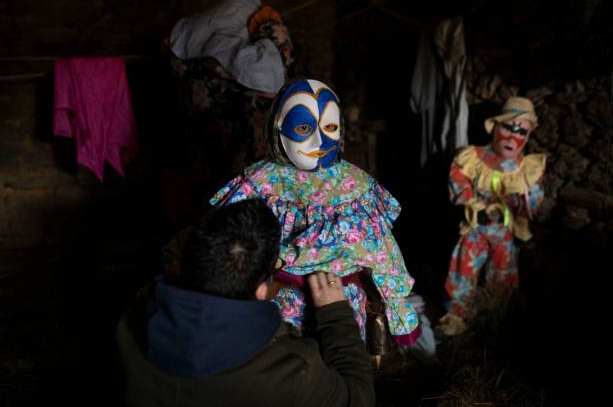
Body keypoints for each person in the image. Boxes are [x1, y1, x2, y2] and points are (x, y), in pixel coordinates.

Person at [209, 78, 419, 351]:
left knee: (340, 375)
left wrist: (396, 308)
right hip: (273, 307)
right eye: (304, 127)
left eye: (330, 127)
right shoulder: (258, 183)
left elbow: (383, 252)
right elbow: (230, 249)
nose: (319, 140)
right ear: (278, 127)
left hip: (342, 309)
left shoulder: (355, 185)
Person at [116, 199, 375, 407]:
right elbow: (359, 398)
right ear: (263, 290)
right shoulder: (294, 371)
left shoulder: (128, 327)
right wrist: (335, 315)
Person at [437, 96, 546, 336]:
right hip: (475, 229)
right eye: (508, 127)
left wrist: (522, 200)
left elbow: (532, 205)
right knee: (462, 271)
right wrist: (477, 205)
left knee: (503, 275)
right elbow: (458, 186)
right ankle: (456, 319)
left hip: (504, 234)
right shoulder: (471, 158)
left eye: (521, 131)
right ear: (494, 127)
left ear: (527, 137)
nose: (513, 136)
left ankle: (496, 320)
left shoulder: (528, 168)